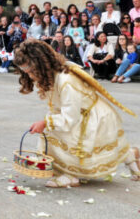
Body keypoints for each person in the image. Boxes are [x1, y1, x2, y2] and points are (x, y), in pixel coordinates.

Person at [19, 39, 140, 187]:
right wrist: (48, 120)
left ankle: (70, 174)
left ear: (42, 65)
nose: (30, 76)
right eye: (26, 72)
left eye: (32, 71)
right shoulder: (52, 75)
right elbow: (60, 108)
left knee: (54, 133)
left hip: (92, 118)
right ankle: (130, 155)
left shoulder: (66, 81)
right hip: (83, 115)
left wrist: (46, 122)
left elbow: (70, 117)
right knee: (55, 129)